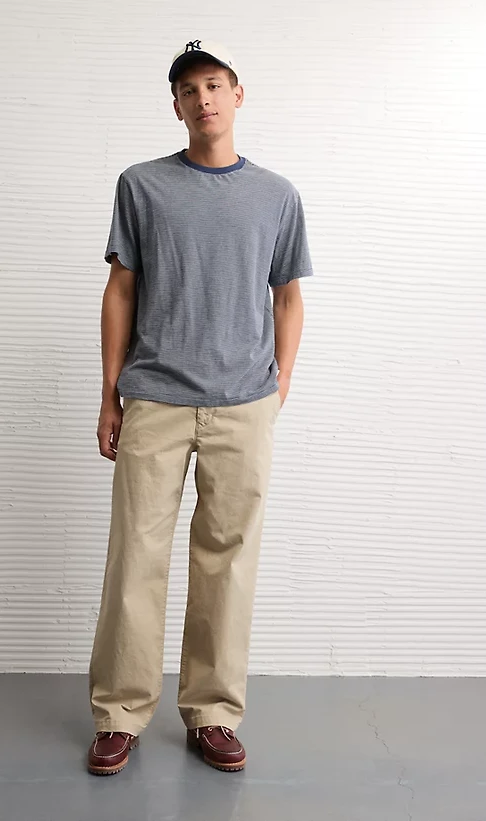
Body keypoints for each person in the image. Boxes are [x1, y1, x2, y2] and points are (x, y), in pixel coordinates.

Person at [87, 39, 314, 776]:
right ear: (177, 106)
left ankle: (213, 711)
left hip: (244, 403)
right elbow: (121, 289)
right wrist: (110, 392)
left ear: (237, 95)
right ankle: (119, 712)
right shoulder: (142, 186)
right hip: (154, 397)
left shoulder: (277, 195)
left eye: (214, 85)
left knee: (229, 561)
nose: (203, 98)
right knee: (135, 557)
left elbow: (288, 295)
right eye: (189, 89)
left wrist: (280, 381)